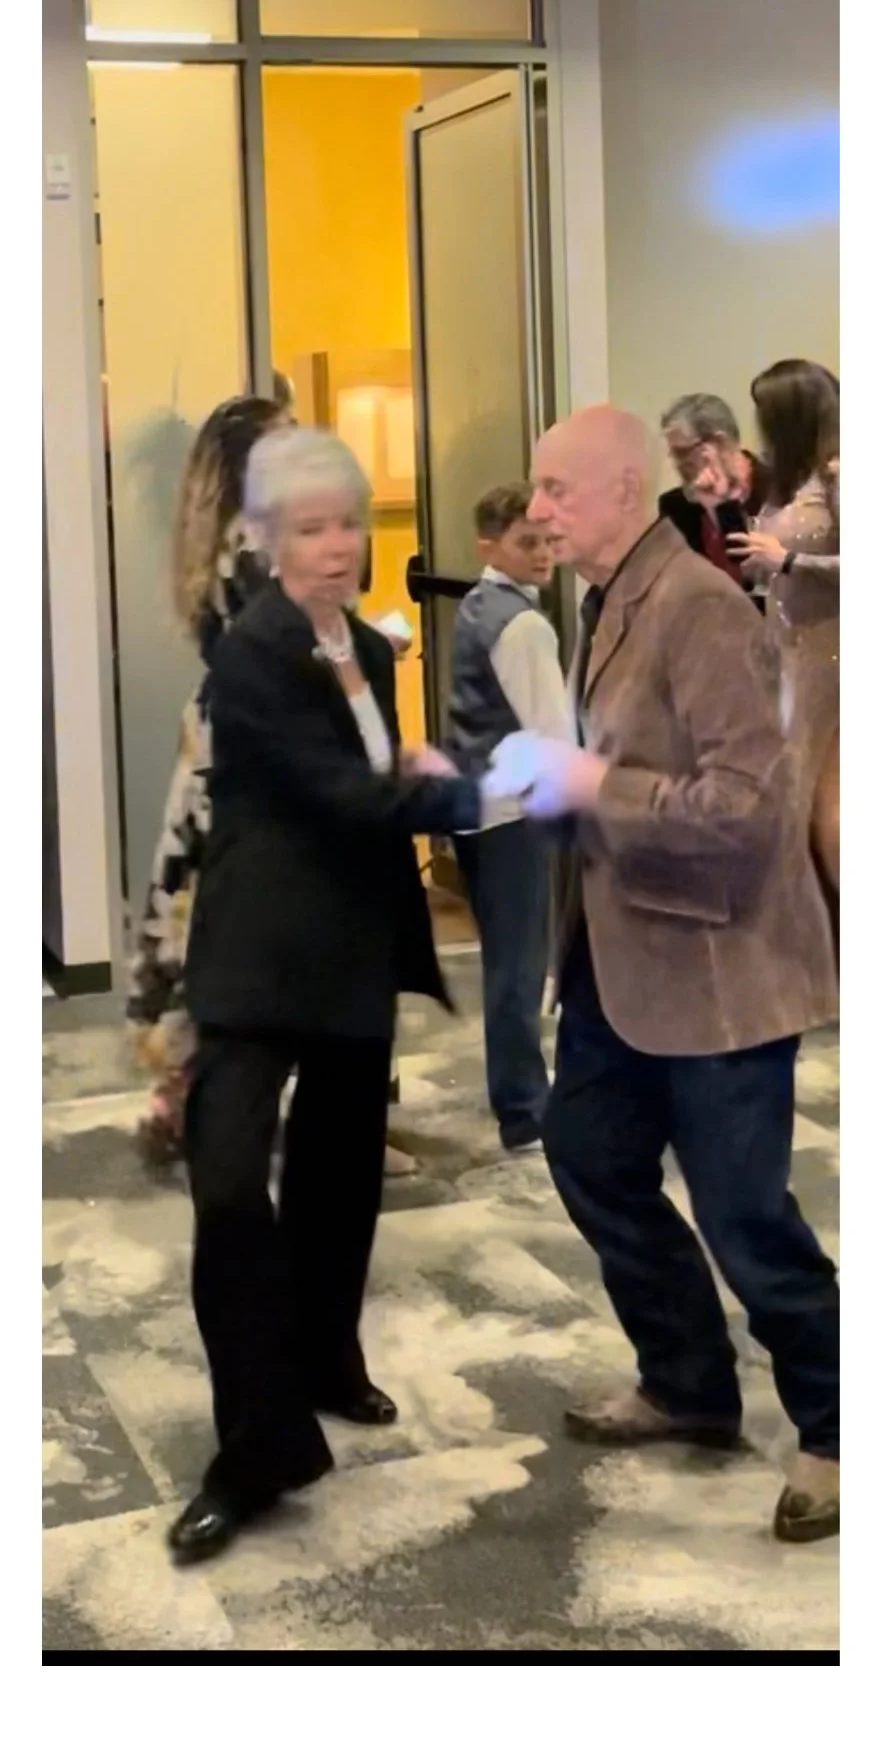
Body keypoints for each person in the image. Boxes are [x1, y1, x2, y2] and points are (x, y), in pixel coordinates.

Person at [491, 404, 839, 1544]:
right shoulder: (605, 601)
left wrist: (593, 787)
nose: (536, 509)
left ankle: (836, 1424)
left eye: (555, 488)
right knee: (591, 1157)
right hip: (619, 959)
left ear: (623, 484)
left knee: (745, 1217)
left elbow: (751, 808)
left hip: (716, 966)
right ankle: (687, 1380)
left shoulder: (694, 607)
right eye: (535, 491)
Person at [169, 425, 490, 1566]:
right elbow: (338, 790)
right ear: (265, 539)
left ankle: (327, 1361)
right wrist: (462, 787)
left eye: (347, 522)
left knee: (338, 1181)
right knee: (226, 1189)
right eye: (310, 527)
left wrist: (420, 774)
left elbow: (377, 771)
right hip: (256, 961)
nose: (336, 545)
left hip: (352, 948)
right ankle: (252, 1446)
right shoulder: (249, 651)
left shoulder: (369, 642)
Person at [128, 394, 416, 1177]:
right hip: (263, 758)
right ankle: (268, 1110)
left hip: (225, 754)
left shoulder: (224, 546)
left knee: (223, 936)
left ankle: (192, 1093)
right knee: (307, 929)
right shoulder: (255, 552)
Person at [446, 483, 572, 1152]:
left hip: (473, 806)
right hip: (511, 811)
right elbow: (550, 733)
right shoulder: (523, 625)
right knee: (519, 965)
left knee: (506, 959)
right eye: (529, 542)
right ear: (490, 544)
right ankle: (525, 1107)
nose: (545, 554)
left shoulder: (474, 606)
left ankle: (518, 1092)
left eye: (550, 540)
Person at [726, 360, 840, 912]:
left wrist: (788, 558)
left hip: (834, 652)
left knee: (830, 812)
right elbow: (765, 564)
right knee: (792, 802)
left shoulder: (841, 475)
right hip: (787, 650)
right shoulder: (787, 481)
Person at [659, 393, 769, 592]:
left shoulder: (775, 487)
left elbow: (751, 576)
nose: (676, 463)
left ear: (720, 443)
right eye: (672, 453)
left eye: (682, 452)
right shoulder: (675, 506)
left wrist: (722, 508)